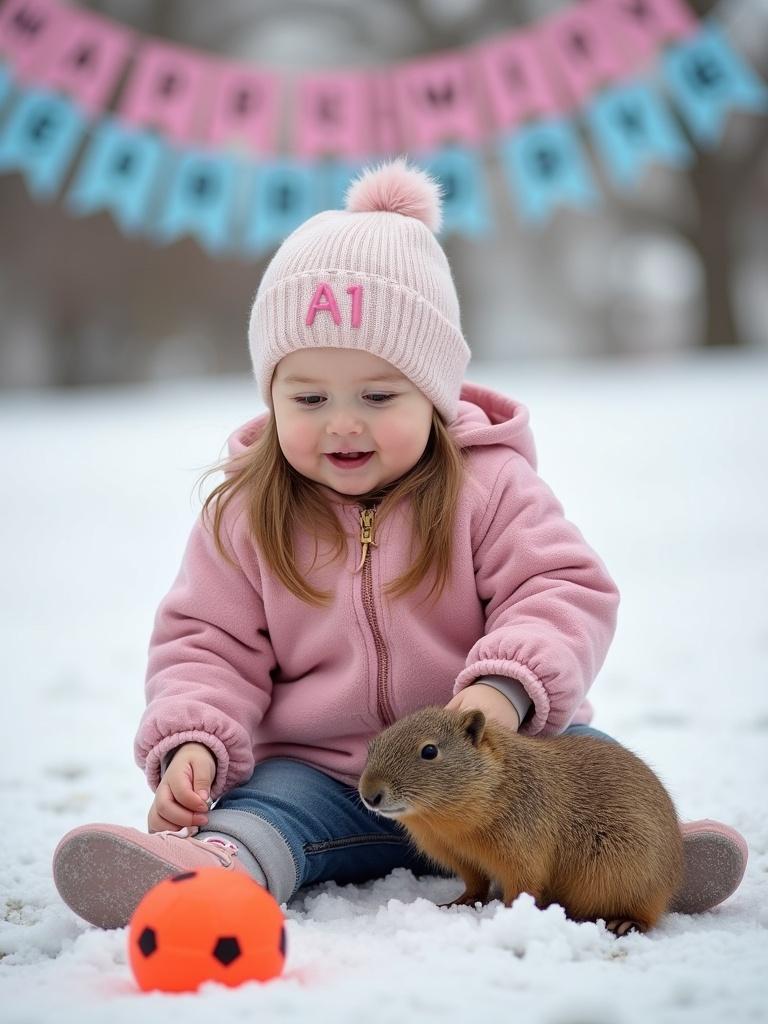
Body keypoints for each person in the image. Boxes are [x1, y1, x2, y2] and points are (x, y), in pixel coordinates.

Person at [52, 158, 747, 931]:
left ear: (436, 395)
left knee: (585, 762)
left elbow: (559, 588)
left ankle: (637, 856)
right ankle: (210, 871)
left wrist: (505, 690)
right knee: (260, 814)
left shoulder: (492, 489)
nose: (342, 421)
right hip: (321, 779)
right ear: (271, 396)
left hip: (494, 770)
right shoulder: (248, 515)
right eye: (309, 397)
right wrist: (195, 740)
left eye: (379, 396)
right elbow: (205, 643)